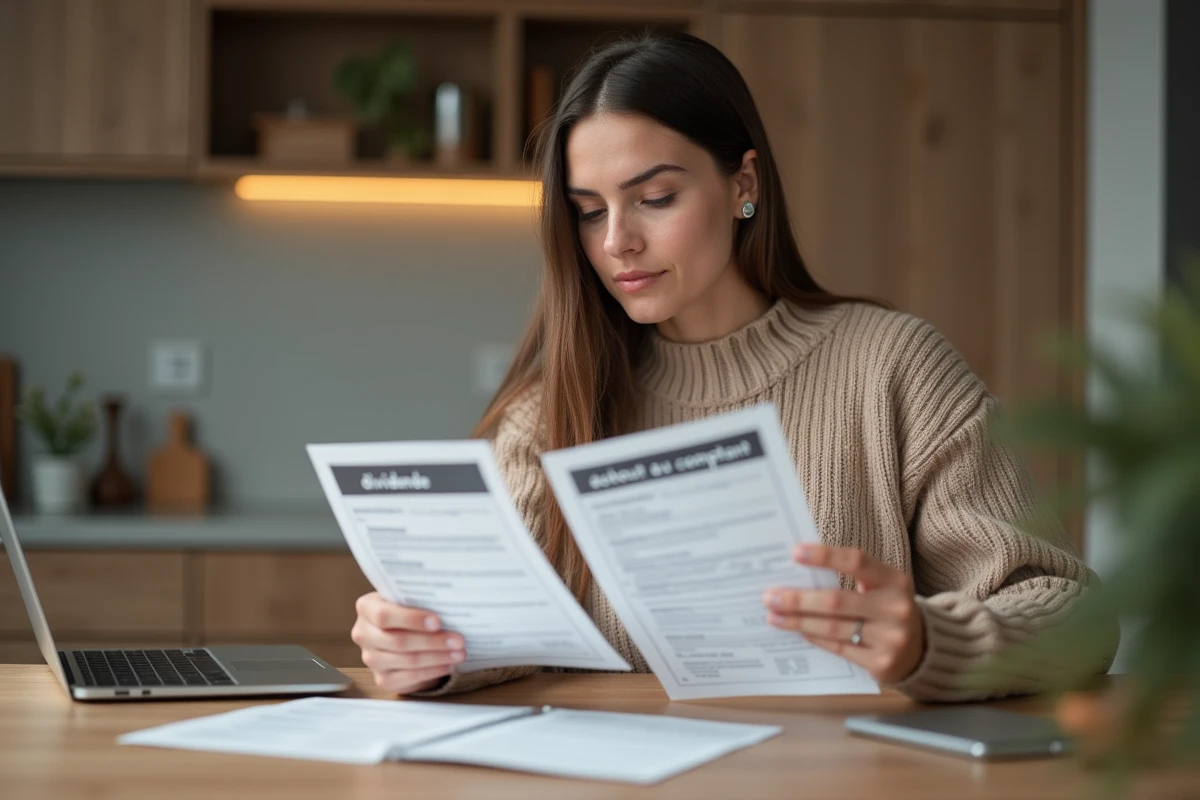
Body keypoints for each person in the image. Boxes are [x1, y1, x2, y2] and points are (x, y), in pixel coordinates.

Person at [351, 32, 1118, 702]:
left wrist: (927, 640)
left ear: (743, 186)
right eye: (589, 210)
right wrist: (425, 648)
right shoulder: (552, 406)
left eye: (654, 197)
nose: (616, 241)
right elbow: (498, 630)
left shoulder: (894, 369)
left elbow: (1076, 618)